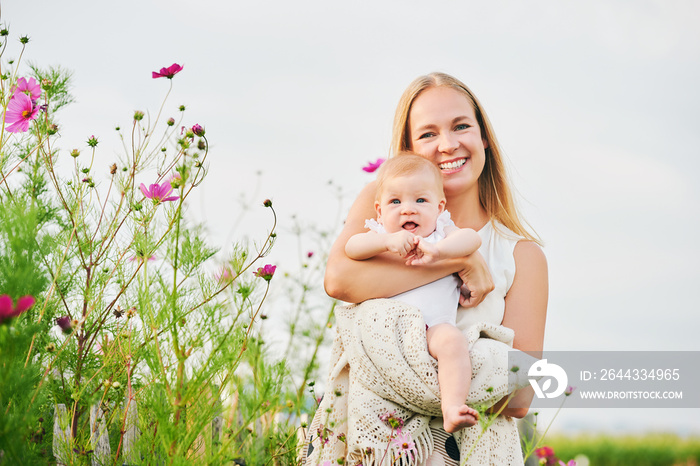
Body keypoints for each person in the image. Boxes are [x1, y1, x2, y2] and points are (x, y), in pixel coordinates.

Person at [323, 72, 548, 465]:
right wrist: (460, 262)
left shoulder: (522, 255)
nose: (448, 144)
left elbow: (519, 396)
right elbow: (340, 281)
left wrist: (409, 371)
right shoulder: (381, 204)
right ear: (408, 149)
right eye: (427, 134)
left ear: (484, 138)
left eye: (461, 126)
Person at [345, 153, 482, 433]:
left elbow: (473, 239)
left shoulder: (442, 232)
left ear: (439, 206)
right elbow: (351, 247)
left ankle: (452, 406)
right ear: (379, 210)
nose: (408, 210)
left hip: (433, 330)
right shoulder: (381, 233)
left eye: (420, 200)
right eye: (395, 202)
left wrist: (440, 251)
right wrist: (385, 241)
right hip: (388, 331)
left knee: (454, 343)